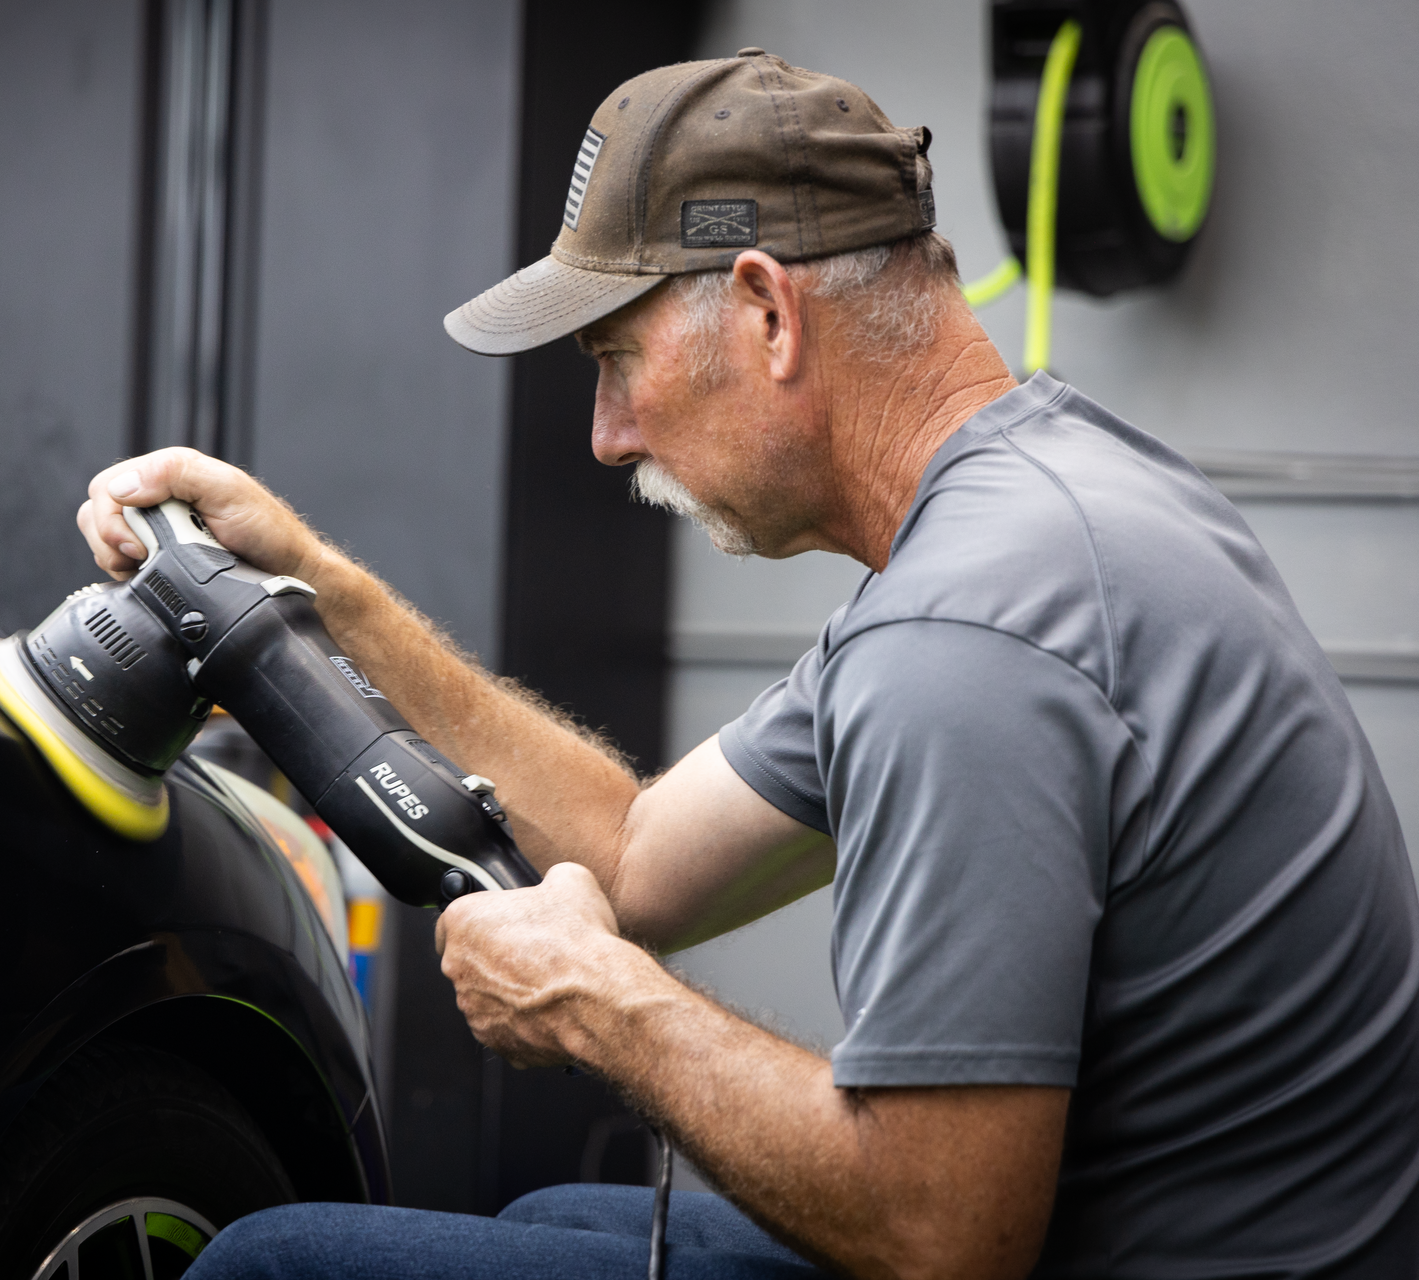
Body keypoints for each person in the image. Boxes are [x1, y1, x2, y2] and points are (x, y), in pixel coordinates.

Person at [75, 51, 1419, 1280]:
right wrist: (329, 588)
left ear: (768, 312)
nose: (606, 436)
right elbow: (637, 853)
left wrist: (607, 1008)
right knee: (555, 1220)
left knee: (278, 1264)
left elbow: (942, 1241)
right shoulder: (1042, 506)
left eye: (617, 361)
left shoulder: (961, 641)